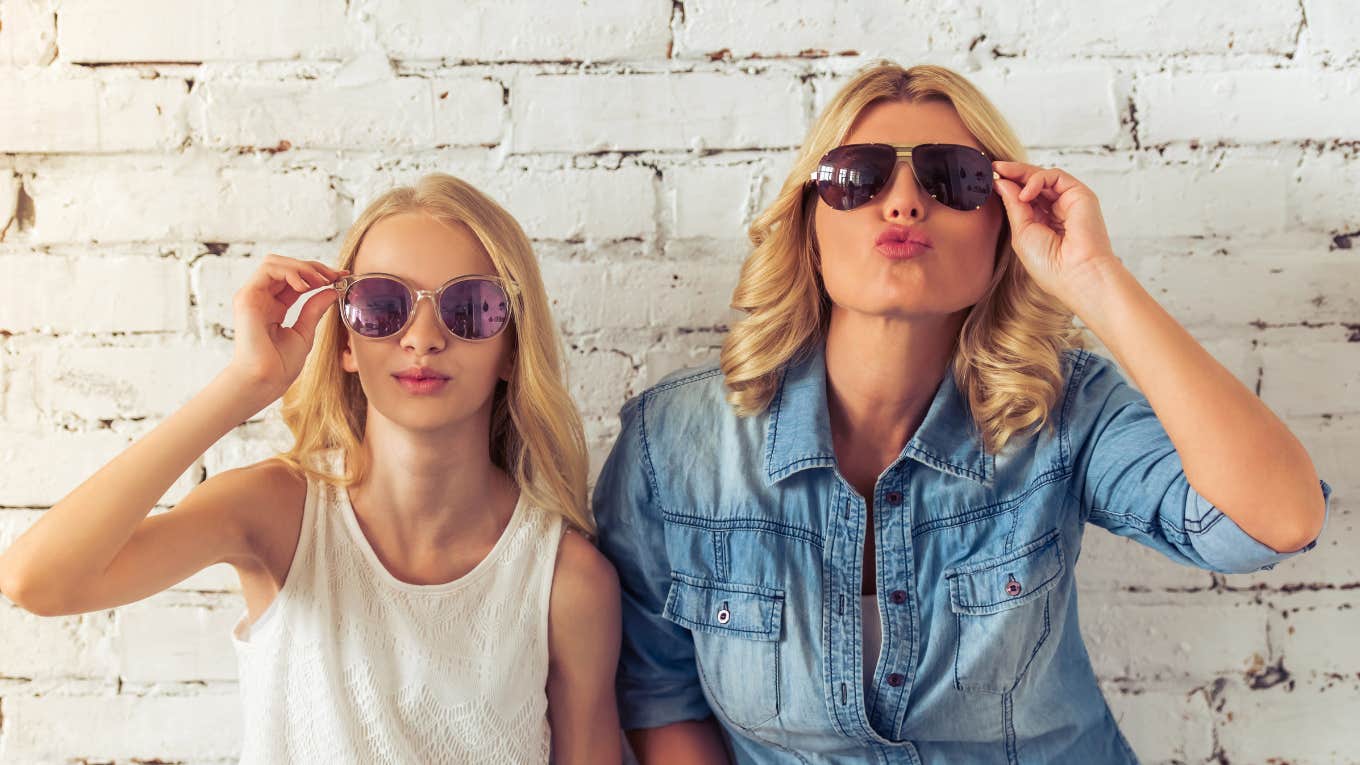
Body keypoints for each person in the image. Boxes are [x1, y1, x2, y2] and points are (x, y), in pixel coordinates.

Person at [593, 63, 1331, 764]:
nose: (906, 202)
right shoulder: (676, 443)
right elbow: (661, 696)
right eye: (859, 176)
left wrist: (1095, 281)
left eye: (954, 178)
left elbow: (1274, 520)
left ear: (1004, 230)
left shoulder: (1065, 409)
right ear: (809, 227)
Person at [0, 173, 623, 764]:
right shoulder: (277, 513)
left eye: (471, 307)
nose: (423, 338)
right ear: (345, 340)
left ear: (513, 344)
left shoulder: (566, 580)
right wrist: (246, 384)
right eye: (384, 305)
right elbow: (39, 583)